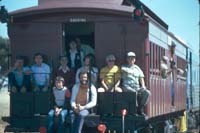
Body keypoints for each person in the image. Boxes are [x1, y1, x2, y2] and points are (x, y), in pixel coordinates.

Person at [121, 52, 151, 116]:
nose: (131, 59)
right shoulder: (124, 67)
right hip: (127, 86)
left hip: (137, 87)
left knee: (147, 92)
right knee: (134, 92)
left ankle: (140, 108)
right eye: (130, 58)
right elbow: (123, 70)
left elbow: (141, 78)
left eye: (133, 58)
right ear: (127, 59)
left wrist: (143, 86)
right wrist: (130, 71)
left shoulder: (137, 68)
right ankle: (134, 110)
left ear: (135, 59)